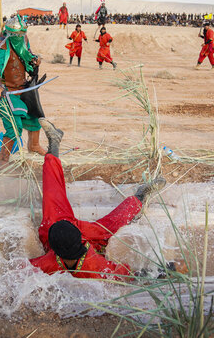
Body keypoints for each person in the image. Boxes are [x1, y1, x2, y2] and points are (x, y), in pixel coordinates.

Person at [29, 119, 185, 280]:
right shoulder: (96, 267)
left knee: (52, 193)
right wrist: (170, 269)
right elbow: (132, 276)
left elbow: (18, 271)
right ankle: (140, 198)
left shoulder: (46, 264)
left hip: (60, 233)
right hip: (83, 238)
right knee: (111, 224)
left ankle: (54, 142)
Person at [0, 15, 47, 167]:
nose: (20, 37)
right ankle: (2, 161)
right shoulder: (1, 46)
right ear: (10, 33)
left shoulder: (24, 41)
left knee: (35, 117)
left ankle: (34, 146)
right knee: (14, 127)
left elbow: (28, 57)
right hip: (6, 92)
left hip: (23, 89)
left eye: (22, 34)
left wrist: (35, 60)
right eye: (17, 35)